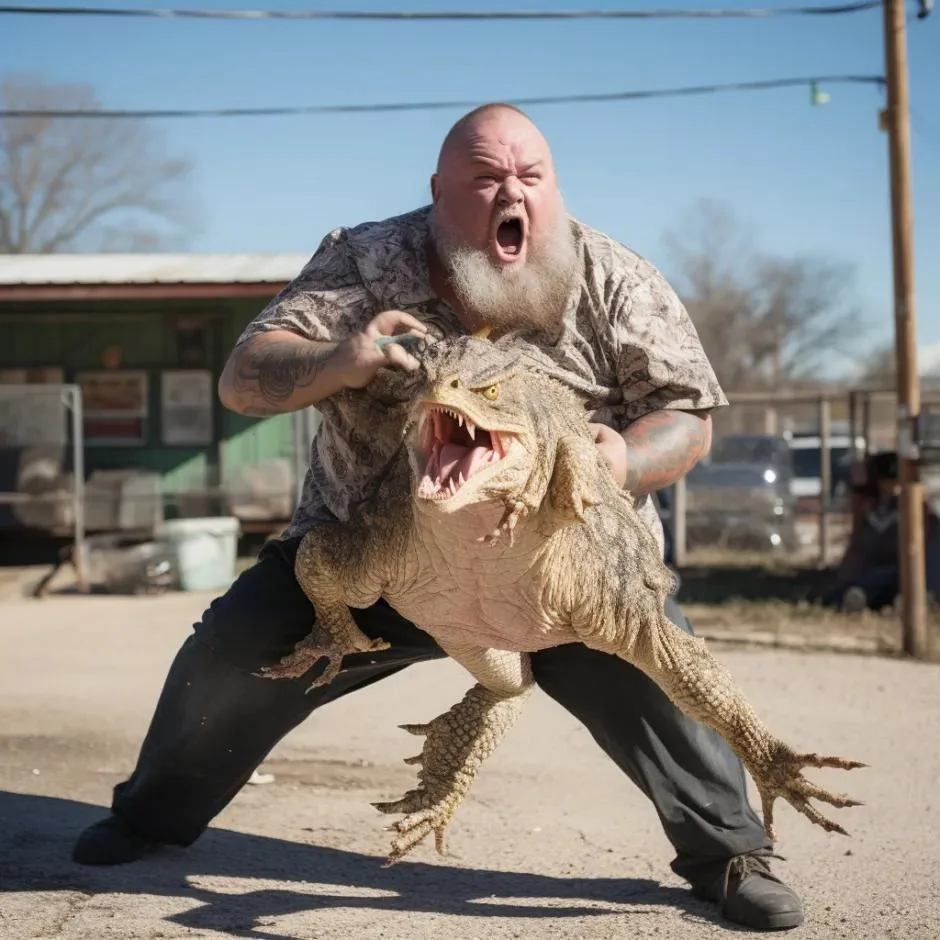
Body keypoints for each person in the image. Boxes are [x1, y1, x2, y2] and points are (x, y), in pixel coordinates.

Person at [72, 103, 805, 931]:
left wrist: (622, 459)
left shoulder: (613, 277)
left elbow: (686, 417)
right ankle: (150, 816)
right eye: (487, 178)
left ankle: (731, 852)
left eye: (531, 178)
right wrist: (339, 359)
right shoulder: (363, 263)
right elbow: (244, 379)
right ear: (437, 191)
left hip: (557, 564)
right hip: (379, 548)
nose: (512, 196)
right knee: (233, 652)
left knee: (661, 675)